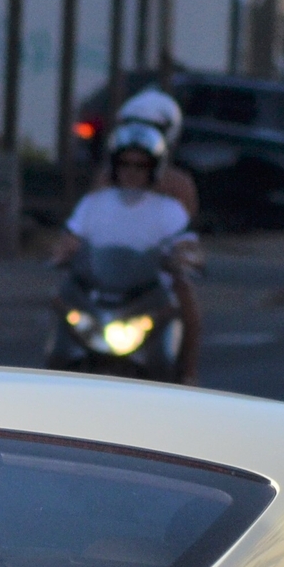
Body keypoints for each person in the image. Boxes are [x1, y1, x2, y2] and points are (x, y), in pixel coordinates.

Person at [110, 87, 204, 382]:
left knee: (186, 302)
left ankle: (186, 372)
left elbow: (183, 232)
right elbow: (88, 218)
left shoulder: (178, 183)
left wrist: (182, 256)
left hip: (156, 272)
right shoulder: (109, 175)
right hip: (110, 268)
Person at [56, 123, 200, 267]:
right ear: (114, 166)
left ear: (154, 168)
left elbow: (187, 244)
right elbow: (72, 236)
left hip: (153, 287)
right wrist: (68, 249)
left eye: (141, 165)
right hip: (99, 284)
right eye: (124, 164)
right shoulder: (92, 203)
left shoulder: (170, 209)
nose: (131, 171)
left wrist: (184, 256)